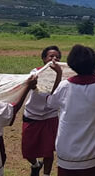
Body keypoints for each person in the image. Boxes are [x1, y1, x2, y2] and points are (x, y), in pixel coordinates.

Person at [46, 45, 95, 176]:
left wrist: (59, 74)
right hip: (94, 156)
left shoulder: (64, 85)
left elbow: (50, 102)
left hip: (67, 155)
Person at [22, 46, 63, 176]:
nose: (54, 59)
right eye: (50, 56)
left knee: (48, 150)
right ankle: (35, 164)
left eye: (57, 57)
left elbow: (54, 97)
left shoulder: (62, 75)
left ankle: (46, 174)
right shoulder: (35, 73)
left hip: (50, 115)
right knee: (28, 150)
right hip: (32, 114)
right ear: (44, 59)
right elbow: (45, 91)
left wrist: (59, 74)